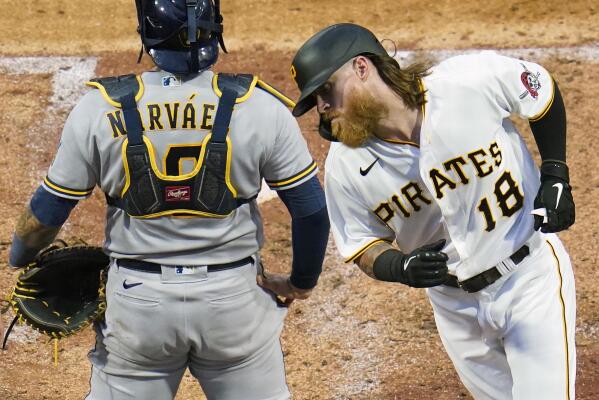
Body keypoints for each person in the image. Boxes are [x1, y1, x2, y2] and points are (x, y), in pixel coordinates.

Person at [7, 1, 329, 399]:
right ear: (216, 29)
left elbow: (46, 214)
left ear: (146, 31)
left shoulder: (98, 108)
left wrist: (19, 258)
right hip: (233, 302)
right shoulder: (261, 107)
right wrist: (301, 282)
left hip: (139, 303)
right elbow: (312, 211)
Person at [290, 23, 576, 400]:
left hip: (527, 278)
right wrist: (400, 267)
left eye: (326, 90)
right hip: (455, 308)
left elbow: (540, 90)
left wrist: (555, 174)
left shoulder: (467, 82)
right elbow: (361, 244)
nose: (323, 108)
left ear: (362, 67)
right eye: (316, 101)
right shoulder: (346, 165)